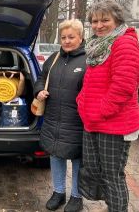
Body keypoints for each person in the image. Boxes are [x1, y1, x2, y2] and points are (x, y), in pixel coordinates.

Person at [76, 0, 139, 212]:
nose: (99, 25)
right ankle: (111, 207)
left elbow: (123, 86)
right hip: (95, 121)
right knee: (96, 172)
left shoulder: (124, 43)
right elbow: (91, 82)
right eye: (94, 21)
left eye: (105, 20)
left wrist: (99, 111)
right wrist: (82, 104)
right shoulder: (98, 46)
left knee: (113, 176)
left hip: (115, 124)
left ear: (117, 20)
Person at [34, 19, 86, 212]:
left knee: (77, 159)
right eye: (63, 37)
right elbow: (41, 78)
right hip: (53, 117)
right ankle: (58, 192)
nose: (66, 41)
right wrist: (39, 91)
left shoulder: (88, 60)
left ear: (80, 37)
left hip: (77, 121)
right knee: (56, 155)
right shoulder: (54, 58)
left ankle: (77, 196)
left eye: (71, 37)